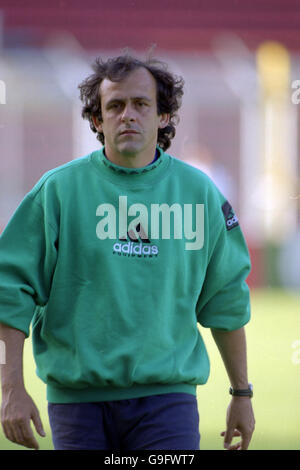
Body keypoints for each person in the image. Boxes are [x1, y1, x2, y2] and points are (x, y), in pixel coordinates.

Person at [0, 54, 255, 451]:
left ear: (164, 116)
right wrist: (11, 389)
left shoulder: (199, 195)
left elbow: (226, 301)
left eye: (141, 104)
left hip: (168, 402)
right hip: (77, 406)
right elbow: (8, 294)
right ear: (98, 121)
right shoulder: (58, 192)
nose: (128, 116)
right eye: (115, 106)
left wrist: (242, 393)